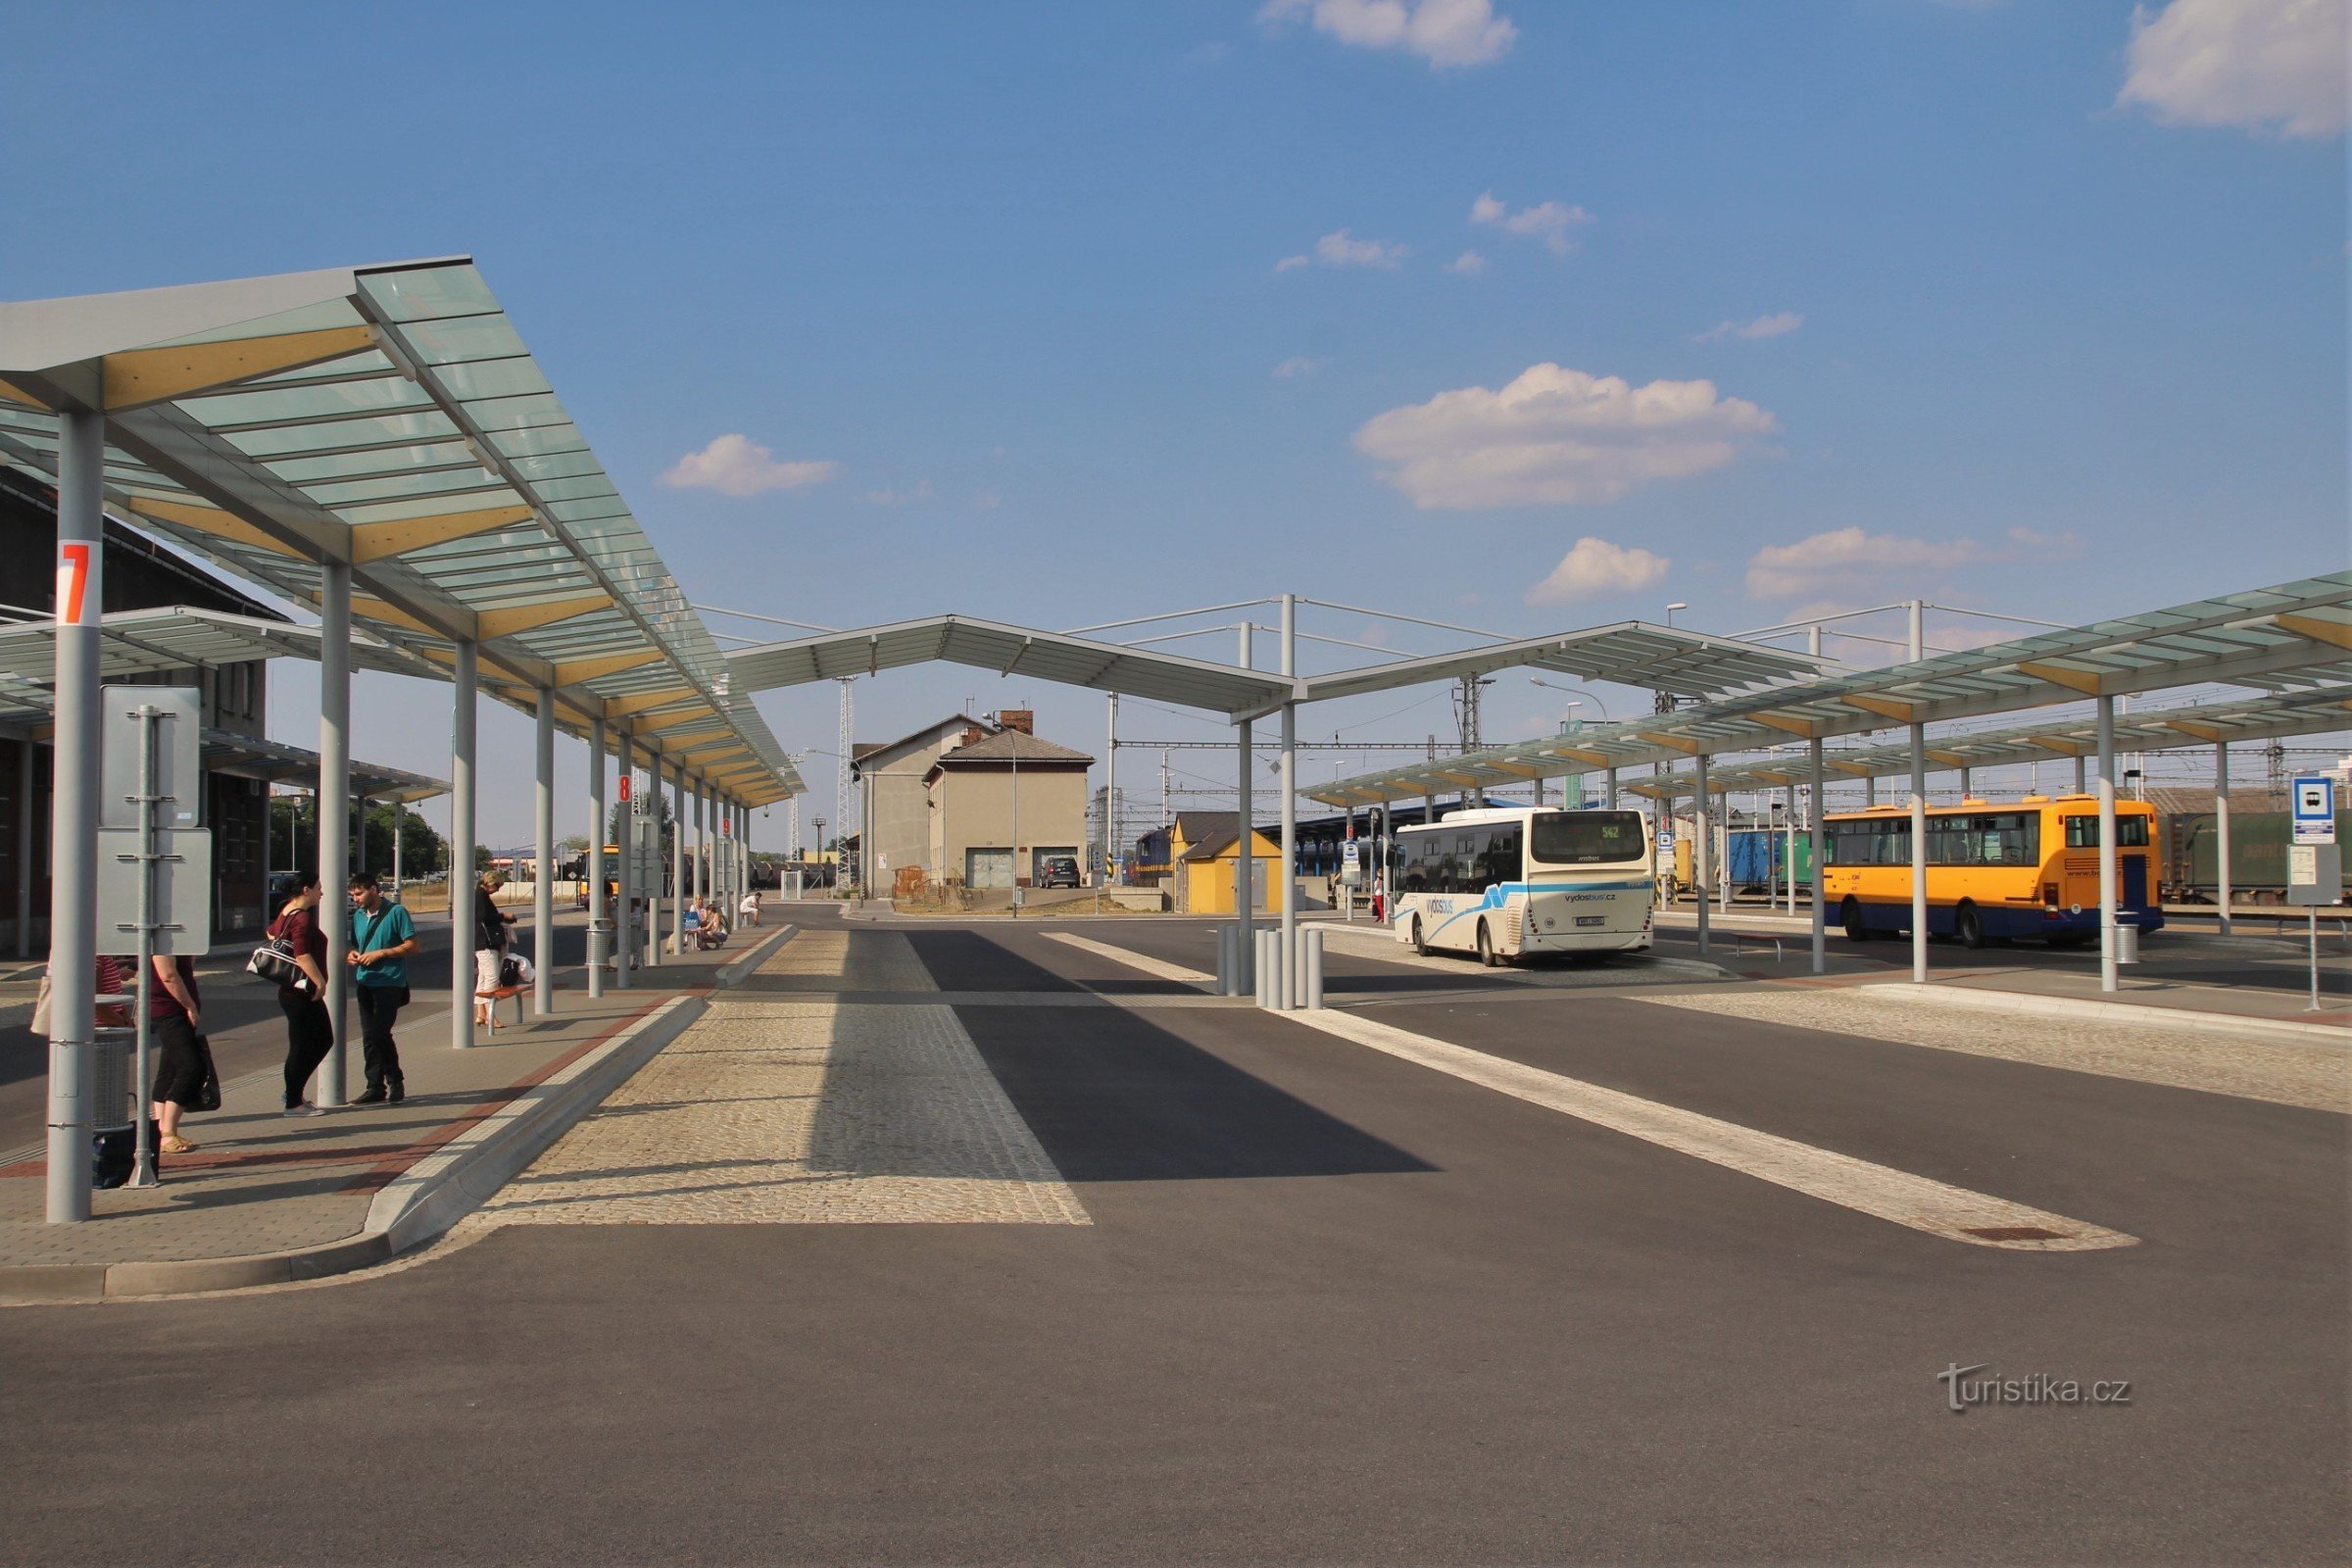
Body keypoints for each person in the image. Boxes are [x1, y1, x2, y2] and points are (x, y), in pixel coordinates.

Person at [346, 872, 419, 1104]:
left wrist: (382, 953)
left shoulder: (396, 912)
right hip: (365, 981)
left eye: (359, 894)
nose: (355, 899)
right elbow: (357, 945)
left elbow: (412, 946)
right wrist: (352, 955)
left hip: (389, 982)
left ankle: (395, 1080)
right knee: (369, 1036)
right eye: (352, 895)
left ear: (374, 889)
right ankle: (374, 1086)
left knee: (380, 1032)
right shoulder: (358, 916)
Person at [270, 876, 332, 1115]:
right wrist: (320, 982)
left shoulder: (286, 912)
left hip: (291, 992)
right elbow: (302, 954)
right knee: (308, 1044)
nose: (321, 893)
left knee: (314, 1041)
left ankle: (294, 1092)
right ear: (306, 890)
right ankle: (293, 1101)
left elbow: (271, 934)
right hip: (301, 992)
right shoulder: (302, 918)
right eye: (318, 888)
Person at [148, 952, 206, 1152]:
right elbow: (168, 975)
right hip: (168, 1011)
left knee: (169, 1070)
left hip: (171, 1011)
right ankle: (167, 1133)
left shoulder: (172, 939)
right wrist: (189, 1006)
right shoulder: (162, 941)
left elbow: (186, 965)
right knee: (192, 1069)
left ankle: (162, 1132)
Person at [472, 872, 514, 1029]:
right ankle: (490, 1014)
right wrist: (503, 915)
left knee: (483, 979)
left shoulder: (479, 895)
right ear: (489, 882)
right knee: (492, 979)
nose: (497, 890)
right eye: (497, 886)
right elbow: (484, 918)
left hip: (482, 942)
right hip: (486, 943)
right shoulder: (480, 896)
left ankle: (481, 1013)